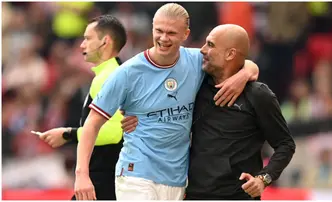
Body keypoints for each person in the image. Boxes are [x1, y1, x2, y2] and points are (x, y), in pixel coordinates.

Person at [74, 3, 259, 200]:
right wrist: (81, 175)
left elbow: (243, 62)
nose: (163, 38)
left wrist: (244, 74)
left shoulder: (197, 61)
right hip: (136, 173)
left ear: (185, 34)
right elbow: (92, 124)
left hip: (177, 178)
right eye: (159, 31)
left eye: (171, 33)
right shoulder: (128, 73)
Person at [185, 24, 296, 200]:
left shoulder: (258, 95)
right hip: (194, 195)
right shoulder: (196, 84)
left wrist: (263, 179)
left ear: (230, 54)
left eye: (211, 45)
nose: (202, 50)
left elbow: (286, 145)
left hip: (238, 196)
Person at [36, 15, 127, 200]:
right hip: (108, 177)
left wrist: (67, 134)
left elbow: (113, 133)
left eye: (87, 38)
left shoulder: (108, 78)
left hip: (102, 180)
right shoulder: (113, 73)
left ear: (105, 42)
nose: (81, 45)